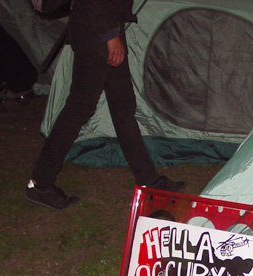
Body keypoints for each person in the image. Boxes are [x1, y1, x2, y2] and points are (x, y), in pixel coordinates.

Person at [25, 0, 185, 210]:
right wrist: (109, 35)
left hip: (106, 29)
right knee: (79, 108)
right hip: (98, 32)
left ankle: (148, 180)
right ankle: (40, 182)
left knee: (123, 108)